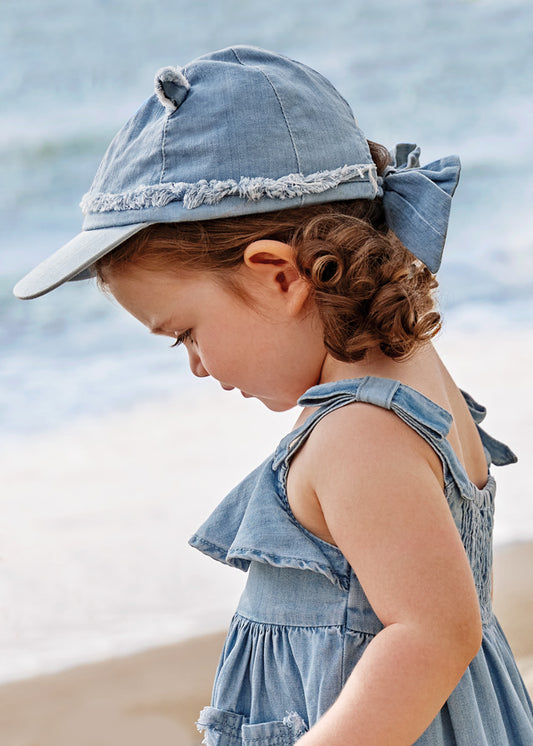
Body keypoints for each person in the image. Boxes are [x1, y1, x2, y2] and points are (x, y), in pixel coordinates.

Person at [14, 46, 533, 745]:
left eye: (186, 334)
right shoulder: (410, 377)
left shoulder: (359, 432)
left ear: (277, 277)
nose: (195, 365)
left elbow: (433, 636)